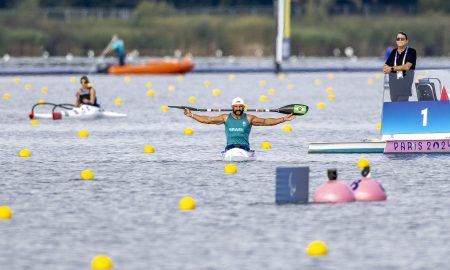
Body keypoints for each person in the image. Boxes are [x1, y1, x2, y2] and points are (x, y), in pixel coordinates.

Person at [183, 97, 296, 151]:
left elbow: (266, 122)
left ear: (243, 107)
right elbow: (207, 120)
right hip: (229, 148)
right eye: (236, 106)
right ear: (232, 107)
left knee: (243, 148)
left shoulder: (250, 118)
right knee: (230, 148)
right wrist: (191, 115)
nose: (238, 108)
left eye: (240, 106)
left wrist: (284, 119)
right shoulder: (225, 117)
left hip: (245, 148)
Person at [383, 31, 417, 102]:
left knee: (401, 108)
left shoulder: (412, 52)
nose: (400, 41)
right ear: (396, 41)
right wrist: (385, 68)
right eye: (398, 39)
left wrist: (391, 68)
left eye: (402, 39)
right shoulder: (393, 52)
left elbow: (407, 67)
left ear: (406, 41)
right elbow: (386, 66)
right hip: (393, 87)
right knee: (395, 110)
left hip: (404, 87)